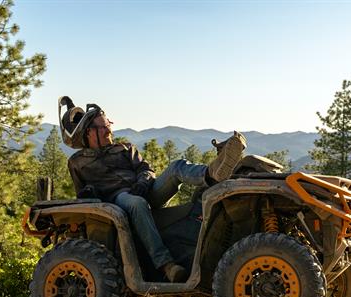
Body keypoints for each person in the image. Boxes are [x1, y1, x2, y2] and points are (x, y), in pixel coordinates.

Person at [62, 98, 246, 283]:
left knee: (176, 167)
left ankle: (212, 174)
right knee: (136, 202)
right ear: (89, 133)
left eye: (108, 124)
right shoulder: (77, 162)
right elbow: (82, 196)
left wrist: (143, 183)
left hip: (145, 191)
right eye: (103, 127)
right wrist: (92, 194)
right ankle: (166, 265)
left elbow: (146, 169)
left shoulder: (125, 148)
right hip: (119, 200)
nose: (109, 129)